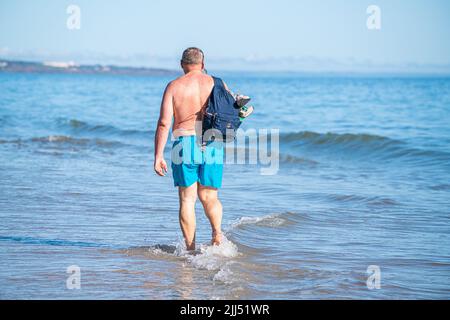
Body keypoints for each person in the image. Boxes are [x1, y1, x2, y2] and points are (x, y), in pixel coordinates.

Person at [154, 47, 226, 251]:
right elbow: (232, 111)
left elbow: (163, 123)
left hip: (184, 143)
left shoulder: (174, 86)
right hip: (212, 141)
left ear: (182, 64)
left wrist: (158, 155)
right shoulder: (217, 83)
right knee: (210, 196)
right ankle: (217, 233)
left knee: (188, 199)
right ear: (203, 64)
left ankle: (191, 249)